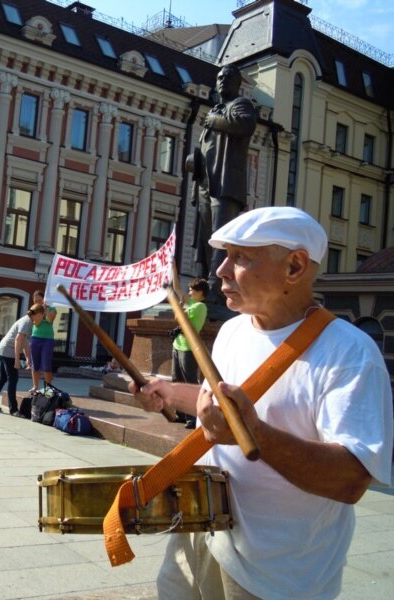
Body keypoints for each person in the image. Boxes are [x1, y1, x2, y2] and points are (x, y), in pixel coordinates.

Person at [130, 206, 392, 599]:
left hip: (276, 571)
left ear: (294, 267)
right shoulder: (232, 331)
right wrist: (167, 392)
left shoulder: (349, 352)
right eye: (225, 256)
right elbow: (223, 404)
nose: (221, 270)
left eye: (241, 258)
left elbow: (352, 479)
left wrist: (253, 433)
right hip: (200, 534)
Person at [187, 64, 257, 303]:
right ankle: (202, 287)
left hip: (225, 184)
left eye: (228, 77)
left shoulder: (240, 105)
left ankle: (215, 290)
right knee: (206, 237)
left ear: (238, 83)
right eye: (219, 77)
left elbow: (245, 125)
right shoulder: (216, 110)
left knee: (221, 238)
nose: (222, 81)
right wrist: (195, 160)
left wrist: (215, 120)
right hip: (207, 182)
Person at [170, 276, 209, 429]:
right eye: (190, 289)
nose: (190, 292)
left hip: (188, 348)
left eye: (192, 290)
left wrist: (179, 307)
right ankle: (180, 414)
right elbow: (177, 289)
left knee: (189, 382)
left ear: (201, 292)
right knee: (177, 380)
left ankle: (192, 417)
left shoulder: (200, 307)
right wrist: (174, 268)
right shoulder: (192, 303)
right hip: (177, 345)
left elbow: (179, 317)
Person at [0, 308, 33, 415]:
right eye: (43, 315)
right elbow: (18, 340)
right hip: (8, 351)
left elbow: (25, 342)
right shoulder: (27, 322)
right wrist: (17, 359)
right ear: (39, 314)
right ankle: (14, 410)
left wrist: (27, 358)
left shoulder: (28, 321)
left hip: (3, 349)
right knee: (13, 379)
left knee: (2, 378)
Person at [29, 289, 56, 393]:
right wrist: (37, 313)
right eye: (35, 301)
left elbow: (49, 320)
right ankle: (35, 386)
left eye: (39, 300)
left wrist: (46, 309)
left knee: (46, 364)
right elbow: (35, 322)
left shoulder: (52, 308)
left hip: (47, 339)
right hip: (35, 337)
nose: (37, 302)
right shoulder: (33, 309)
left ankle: (48, 388)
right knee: (35, 363)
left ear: (44, 299)